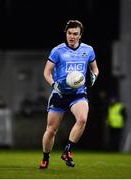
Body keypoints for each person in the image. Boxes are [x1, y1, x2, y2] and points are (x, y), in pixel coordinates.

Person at [39, 20, 99, 169]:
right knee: (51, 130)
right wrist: (54, 85)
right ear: (66, 33)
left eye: (75, 34)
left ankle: (67, 151)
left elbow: (95, 69)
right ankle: (46, 157)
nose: (72, 36)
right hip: (59, 94)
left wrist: (94, 77)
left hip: (78, 94)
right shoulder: (57, 51)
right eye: (69, 33)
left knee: (83, 119)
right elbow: (47, 72)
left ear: (80, 35)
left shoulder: (88, 50)